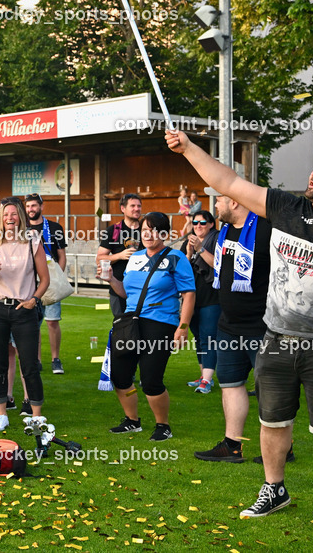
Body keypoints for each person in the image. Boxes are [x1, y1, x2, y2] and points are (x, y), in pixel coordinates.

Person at [165, 130, 313, 547]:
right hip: (275, 339)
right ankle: (274, 489)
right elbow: (226, 182)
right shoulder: (285, 206)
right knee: (271, 423)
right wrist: (188, 148)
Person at [193, 187, 274, 464]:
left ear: (235, 202)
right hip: (228, 324)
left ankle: (279, 447)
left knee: (270, 390)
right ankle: (232, 445)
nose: (215, 205)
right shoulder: (223, 232)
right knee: (230, 384)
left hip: (262, 326)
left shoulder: (267, 229)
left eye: (219, 200)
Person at [104, 211, 195, 442]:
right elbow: (126, 292)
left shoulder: (176, 258)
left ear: (164, 233)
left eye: (154, 230)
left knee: (151, 379)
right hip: (130, 321)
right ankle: (132, 420)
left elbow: (189, 294)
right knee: (121, 376)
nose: (148, 234)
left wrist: (183, 327)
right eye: (145, 230)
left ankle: (163, 425)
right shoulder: (134, 257)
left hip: (161, 323)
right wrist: (111, 281)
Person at [0, 197, 51, 432]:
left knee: (30, 363)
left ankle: (36, 414)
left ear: (21, 216)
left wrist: (34, 300)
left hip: (24, 309)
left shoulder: (33, 241)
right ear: (0, 218)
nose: (9, 218)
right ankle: (1, 413)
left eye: (14, 214)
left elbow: (45, 279)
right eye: (6, 214)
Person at [24, 193, 68, 375]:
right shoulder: (22, 228)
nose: (31, 209)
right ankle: (37, 359)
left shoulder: (55, 227)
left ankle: (55, 359)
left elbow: (62, 256)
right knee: (33, 323)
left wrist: (57, 278)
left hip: (50, 279)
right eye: (28, 206)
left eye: (34, 206)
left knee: (52, 322)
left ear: (41, 206)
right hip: (28, 282)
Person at [181, 209, 220, 394]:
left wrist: (200, 249)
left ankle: (207, 379)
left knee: (209, 338)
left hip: (212, 298)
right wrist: (189, 253)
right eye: (195, 223)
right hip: (192, 299)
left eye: (202, 223)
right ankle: (203, 376)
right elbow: (182, 272)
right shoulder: (188, 242)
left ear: (211, 224)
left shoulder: (218, 239)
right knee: (198, 338)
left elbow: (217, 264)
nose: (198, 226)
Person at [97, 193, 143, 318]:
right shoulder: (113, 231)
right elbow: (99, 259)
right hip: (118, 287)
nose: (137, 209)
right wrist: (119, 255)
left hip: (143, 289)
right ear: (123, 208)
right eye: (132, 206)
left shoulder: (147, 230)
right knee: (122, 328)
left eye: (139, 206)